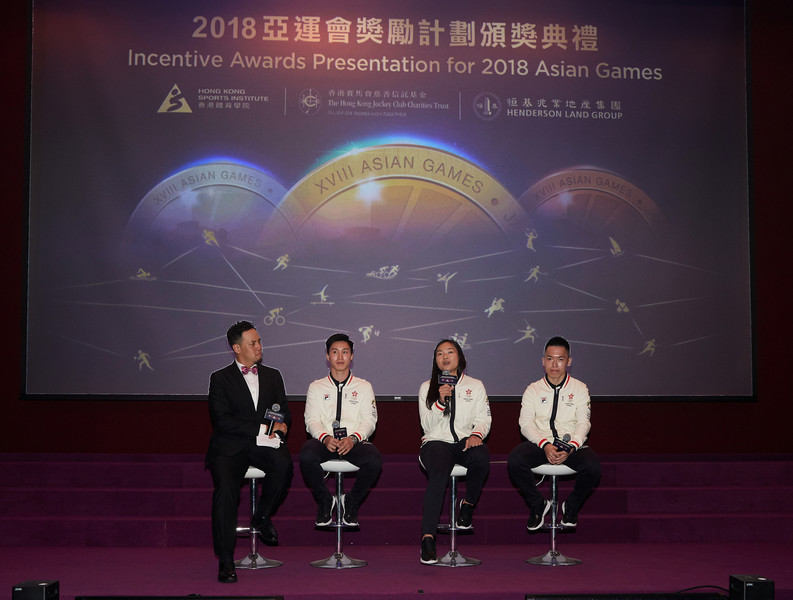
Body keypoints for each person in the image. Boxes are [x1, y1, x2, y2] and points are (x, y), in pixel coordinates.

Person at [205, 320, 293, 583]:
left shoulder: (273, 375)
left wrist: (282, 427)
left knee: (284, 465)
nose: (259, 346)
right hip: (230, 446)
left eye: (259, 341)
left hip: (263, 445)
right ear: (236, 348)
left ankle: (262, 516)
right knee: (227, 491)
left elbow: (284, 411)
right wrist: (264, 426)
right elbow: (221, 420)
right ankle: (226, 560)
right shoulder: (220, 378)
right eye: (252, 343)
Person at [507, 335, 601, 532]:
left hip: (571, 445)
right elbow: (525, 424)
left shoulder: (580, 388)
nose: (555, 364)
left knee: (593, 466)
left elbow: (584, 423)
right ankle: (538, 504)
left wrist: (572, 446)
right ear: (543, 361)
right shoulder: (533, 389)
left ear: (569, 361)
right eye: (550, 359)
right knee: (515, 460)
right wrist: (545, 444)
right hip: (542, 443)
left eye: (560, 359)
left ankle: (571, 507)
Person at [417, 339, 491, 565]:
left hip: (464, 441)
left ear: (460, 357)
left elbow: (484, 418)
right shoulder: (426, 387)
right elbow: (427, 425)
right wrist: (440, 401)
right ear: (435, 360)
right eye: (440, 353)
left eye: (450, 352)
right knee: (439, 472)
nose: (445, 357)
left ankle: (467, 505)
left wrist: (477, 435)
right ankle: (428, 538)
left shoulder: (475, 385)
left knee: (481, 457)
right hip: (436, 443)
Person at [299, 333, 382, 527]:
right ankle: (325, 500)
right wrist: (325, 438)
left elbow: (370, 420)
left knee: (374, 459)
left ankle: (351, 501)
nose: (340, 357)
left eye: (345, 352)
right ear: (327, 356)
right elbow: (311, 420)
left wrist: (353, 438)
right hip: (325, 441)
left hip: (353, 442)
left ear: (352, 356)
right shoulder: (316, 387)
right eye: (335, 352)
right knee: (306, 454)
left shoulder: (364, 386)